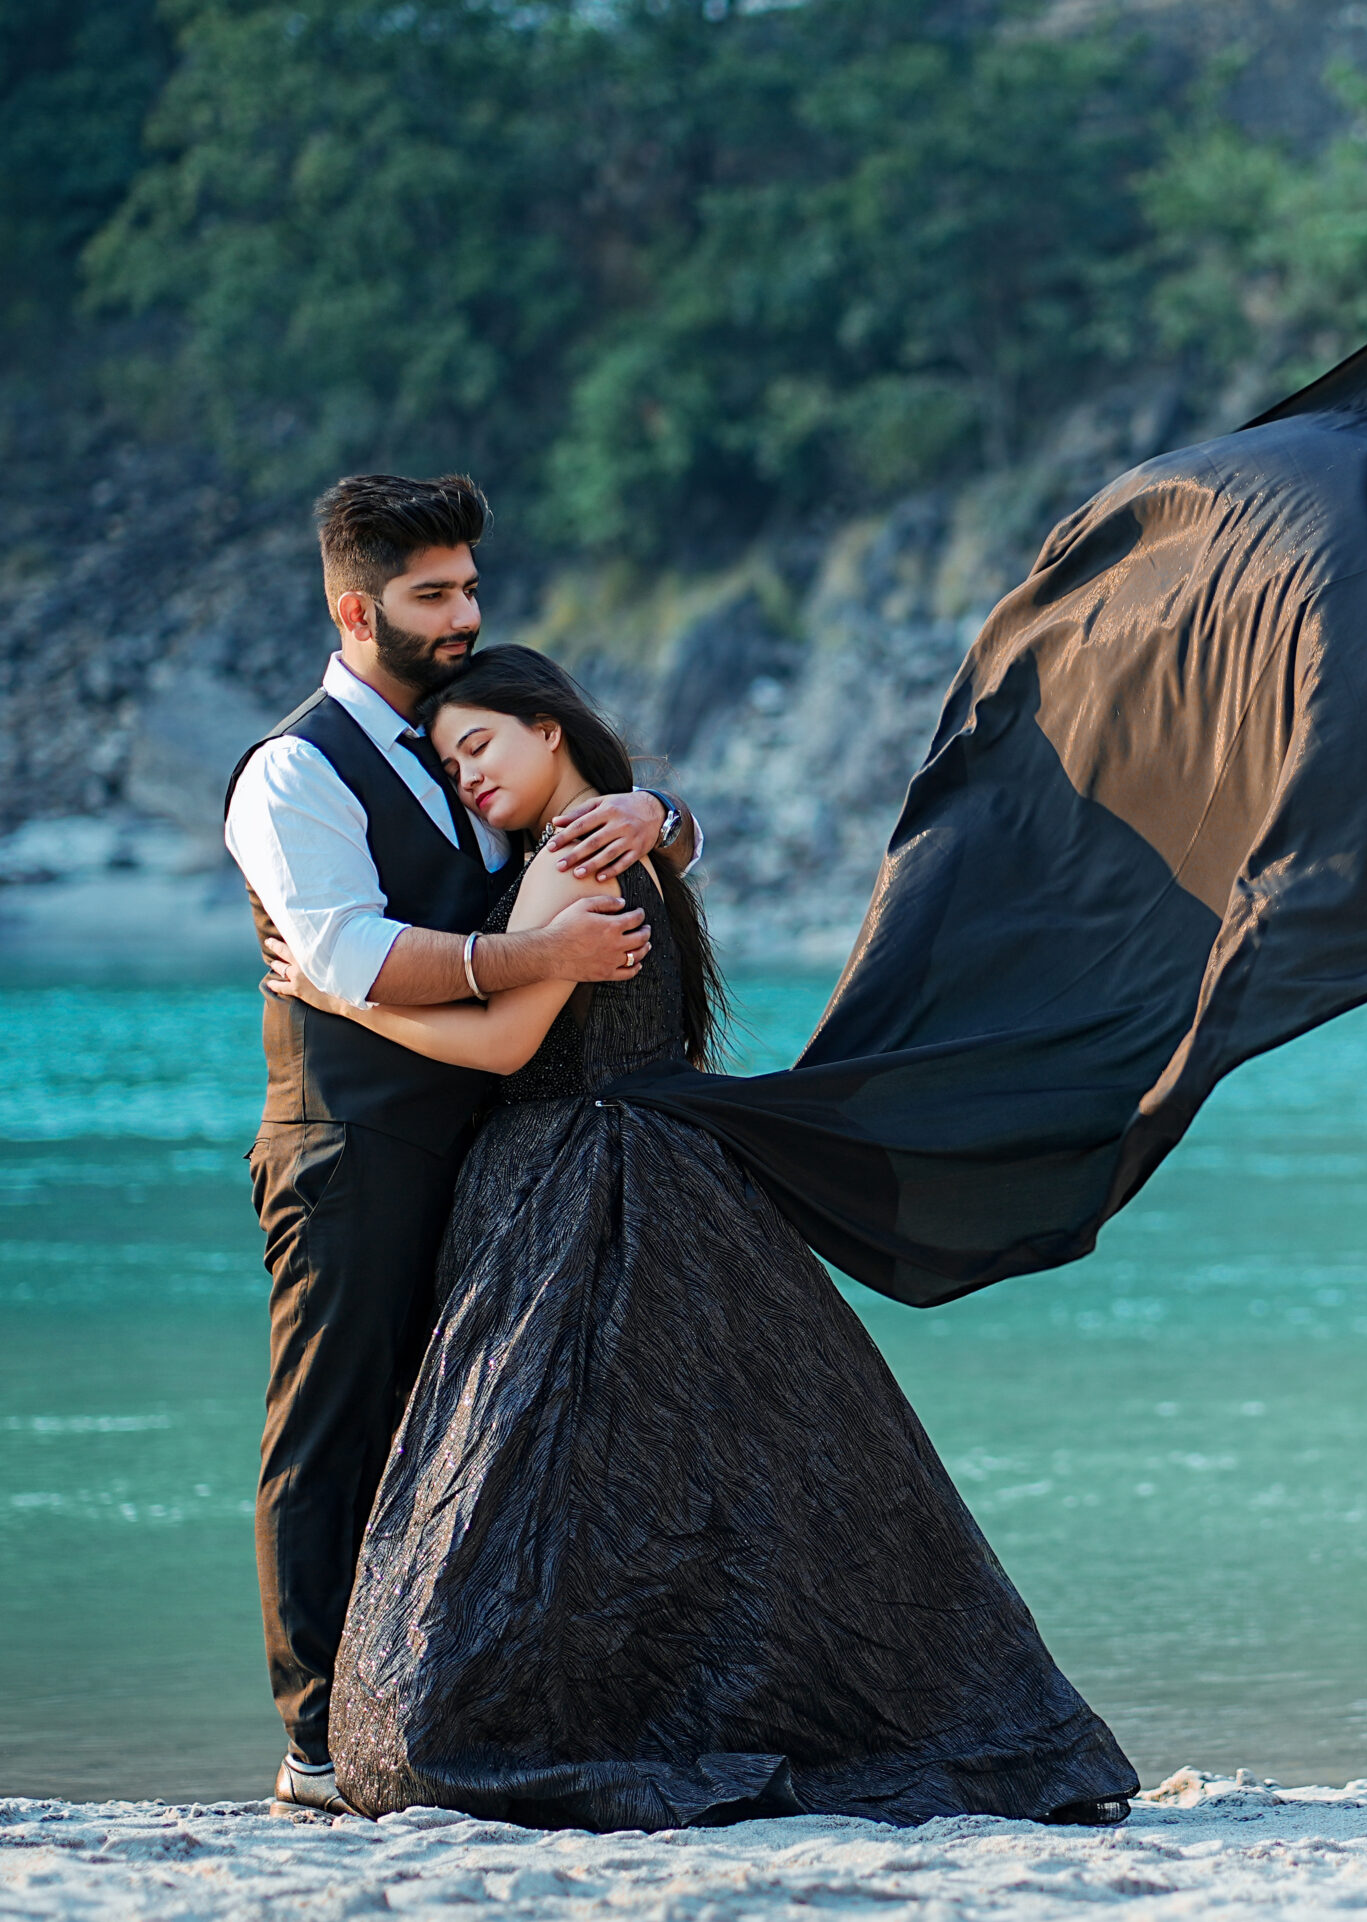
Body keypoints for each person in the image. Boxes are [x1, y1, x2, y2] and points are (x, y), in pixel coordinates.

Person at [264, 645, 1137, 1830]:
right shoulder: (627, 844)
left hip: (579, 1181)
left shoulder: (568, 858)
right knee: (688, 1472)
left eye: (481, 746)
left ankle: (560, 1719)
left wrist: (338, 997)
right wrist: (664, 812)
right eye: (453, 762)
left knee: (543, 1480)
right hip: (663, 1172)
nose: (469, 777)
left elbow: (506, 1045)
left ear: (549, 729)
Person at [222, 475, 703, 1818]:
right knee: (334, 1430)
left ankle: (430, 1708)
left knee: (462, 1440)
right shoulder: (292, 771)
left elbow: (577, 808)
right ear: (354, 609)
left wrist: (662, 812)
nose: (463, 615)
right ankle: (317, 1741)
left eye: (470, 589)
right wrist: (539, 956)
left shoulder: (459, 740)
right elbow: (352, 958)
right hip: (352, 1148)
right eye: (432, 594)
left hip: (495, 1160)